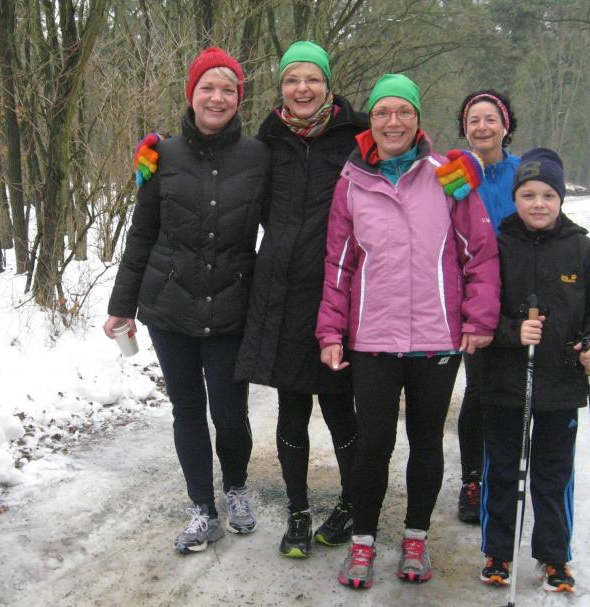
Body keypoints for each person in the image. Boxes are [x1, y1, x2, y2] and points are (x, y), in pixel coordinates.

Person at [316, 74, 501, 589]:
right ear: (370, 121)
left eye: (403, 112)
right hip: (373, 337)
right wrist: (330, 331)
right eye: (382, 112)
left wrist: (479, 318)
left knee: (425, 441)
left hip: (437, 337)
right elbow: (338, 264)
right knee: (373, 443)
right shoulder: (351, 181)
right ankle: (363, 542)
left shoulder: (449, 174)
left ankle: (416, 537)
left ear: (418, 119)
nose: (392, 122)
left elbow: (479, 252)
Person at [104, 47, 270, 554]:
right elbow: (142, 233)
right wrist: (121, 305)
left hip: (233, 306)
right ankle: (202, 508)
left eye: (227, 90)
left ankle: (236, 488)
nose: (217, 98)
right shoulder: (160, 155)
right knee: (188, 411)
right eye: (207, 88)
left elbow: (283, 229)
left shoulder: (259, 157)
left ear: (239, 99)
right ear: (191, 94)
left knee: (230, 411)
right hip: (169, 307)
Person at [232, 41, 368, 558]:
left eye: (312, 78)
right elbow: (213, 160)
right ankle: (297, 510)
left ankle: (352, 502)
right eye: (292, 79)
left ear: (328, 84)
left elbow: (408, 154)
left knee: (339, 407)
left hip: (338, 291)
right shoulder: (267, 138)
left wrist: (457, 172)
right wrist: (156, 151)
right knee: (291, 409)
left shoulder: (358, 136)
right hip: (282, 293)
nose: (302, 88)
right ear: (282, 87)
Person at [477, 148, 590, 593]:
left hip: (561, 381)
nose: (538, 204)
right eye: (528, 195)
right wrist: (511, 331)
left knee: (553, 474)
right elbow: (477, 310)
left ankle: (554, 555)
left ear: (560, 199)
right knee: (503, 468)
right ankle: (498, 551)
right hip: (504, 380)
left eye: (548, 196)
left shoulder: (583, 250)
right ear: (515, 198)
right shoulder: (495, 246)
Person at [444, 89, 520, 525]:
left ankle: (505, 472)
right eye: (473, 120)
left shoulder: (524, 171)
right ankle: (473, 479)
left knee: (516, 389)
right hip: (472, 296)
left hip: (518, 296)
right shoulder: (456, 171)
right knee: (479, 389)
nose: (482, 127)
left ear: (505, 125)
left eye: (490, 119)